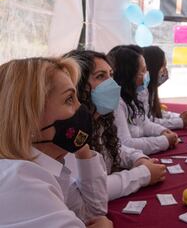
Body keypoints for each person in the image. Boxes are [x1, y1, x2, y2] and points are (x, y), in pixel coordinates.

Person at [0, 57, 112, 227]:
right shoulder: (22, 180)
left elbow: (91, 213)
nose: (80, 108)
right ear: (30, 115)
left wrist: (84, 152)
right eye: (69, 99)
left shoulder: (48, 162)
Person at [64, 50, 167, 200]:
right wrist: (143, 174)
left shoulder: (99, 119)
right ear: (78, 85)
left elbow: (116, 147)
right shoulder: (68, 131)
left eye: (111, 75)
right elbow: (89, 189)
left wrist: (138, 158)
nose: (111, 83)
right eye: (100, 76)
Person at [108, 45, 179, 154]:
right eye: (143, 71)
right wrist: (163, 141)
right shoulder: (117, 103)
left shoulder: (131, 96)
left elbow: (144, 123)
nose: (147, 74)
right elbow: (126, 143)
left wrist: (163, 131)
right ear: (129, 74)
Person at [140, 46, 187, 129]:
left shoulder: (149, 90)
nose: (165, 72)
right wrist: (181, 121)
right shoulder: (140, 92)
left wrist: (180, 117)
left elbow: (154, 114)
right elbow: (147, 123)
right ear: (152, 68)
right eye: (163, 66)